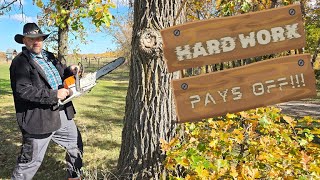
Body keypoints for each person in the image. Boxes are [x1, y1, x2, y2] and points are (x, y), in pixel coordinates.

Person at [9, 23, 83, 180]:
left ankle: (74, 176)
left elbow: (62, 73)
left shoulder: (49, 56)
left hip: (62, 112)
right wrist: (54, 94)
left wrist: (71, 70)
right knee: (30, 162)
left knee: (75, 144)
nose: (36, 42)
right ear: (24, 40)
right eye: (31, 39)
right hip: (39, 119)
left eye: (39, 38)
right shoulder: (20, 62)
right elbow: (23, 91)